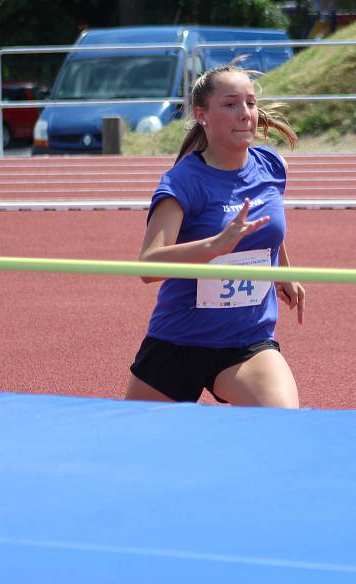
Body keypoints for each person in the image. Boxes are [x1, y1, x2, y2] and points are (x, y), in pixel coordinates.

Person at [125, 65, 305, 408]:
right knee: (139, 452)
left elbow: (265, 227)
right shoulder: (182, 182)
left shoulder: (271, 166)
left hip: (246, 342)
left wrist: (284, 269)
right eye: (230, 104)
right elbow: (148, 266)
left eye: (250, 103)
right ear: (201, 115)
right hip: (178, 340)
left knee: (281, 424)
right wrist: (214, 246)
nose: (245, 114)